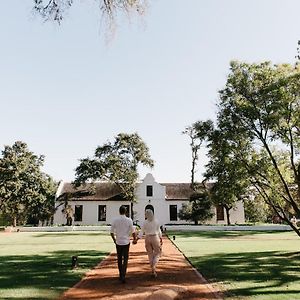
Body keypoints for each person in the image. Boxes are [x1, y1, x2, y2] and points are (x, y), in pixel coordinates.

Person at [110, 205, 137, 283]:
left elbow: (111, 232)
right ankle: (123, 275)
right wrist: (135, 239)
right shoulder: (129, 220)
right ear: (126, 212)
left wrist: (114, 240)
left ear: (119, 211)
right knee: (125, 259)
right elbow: (133, 231)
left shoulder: (115, 220)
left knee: (119, 259)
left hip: (118, 242)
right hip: (126, 242)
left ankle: (120, 274)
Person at [136, 209, 162, 278]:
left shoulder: (145, 222)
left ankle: (152, 267)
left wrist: (137, 239)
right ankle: (154, 266)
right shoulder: (156, 221)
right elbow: (159, 231)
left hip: (147, 238)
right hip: (155, 237)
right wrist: (161, 238)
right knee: (157, 253)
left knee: (150, 254)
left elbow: (141, 232)